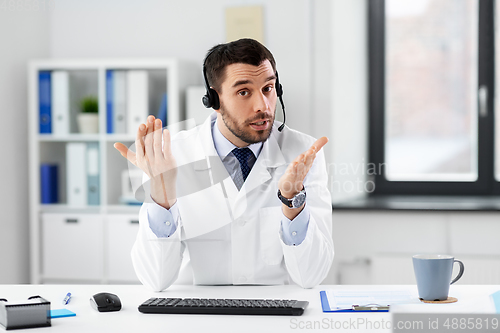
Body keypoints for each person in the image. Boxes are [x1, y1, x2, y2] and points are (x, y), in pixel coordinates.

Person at [114, 38, 333, 291]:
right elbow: (155, 279)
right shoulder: (169, 157)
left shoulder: (303, 154)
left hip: (274, 310)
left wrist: (293, 202)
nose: (262, 106)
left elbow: (311, 276)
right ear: (214, 100)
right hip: (195, 311)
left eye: (268, 88)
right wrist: (162, 200)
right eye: (244, 92)